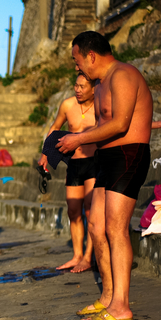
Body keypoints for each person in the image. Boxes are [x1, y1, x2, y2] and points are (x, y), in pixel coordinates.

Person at [57, 32, 161, 320]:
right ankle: (109, 297)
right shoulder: (99, 87)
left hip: (128, 156)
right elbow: (106, 123)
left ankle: (122, 306)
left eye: (77, 60)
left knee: (115, 227)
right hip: (105, 159)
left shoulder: (124, 75)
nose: (76, 68)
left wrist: (79, 139)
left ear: (91, 56)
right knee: (96, 224)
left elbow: (122, 123)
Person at [38, 71, 97, 273]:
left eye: (82, 87)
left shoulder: (101, 106)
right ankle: (77, 256)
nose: (78, 90)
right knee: (73, 211)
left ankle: (88, 257)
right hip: (74, 164)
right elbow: (54, 128)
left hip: (94, 163)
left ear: (94, 88)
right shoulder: (67, 105)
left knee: (90, 211)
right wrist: (45, 154)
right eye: (76, 86)